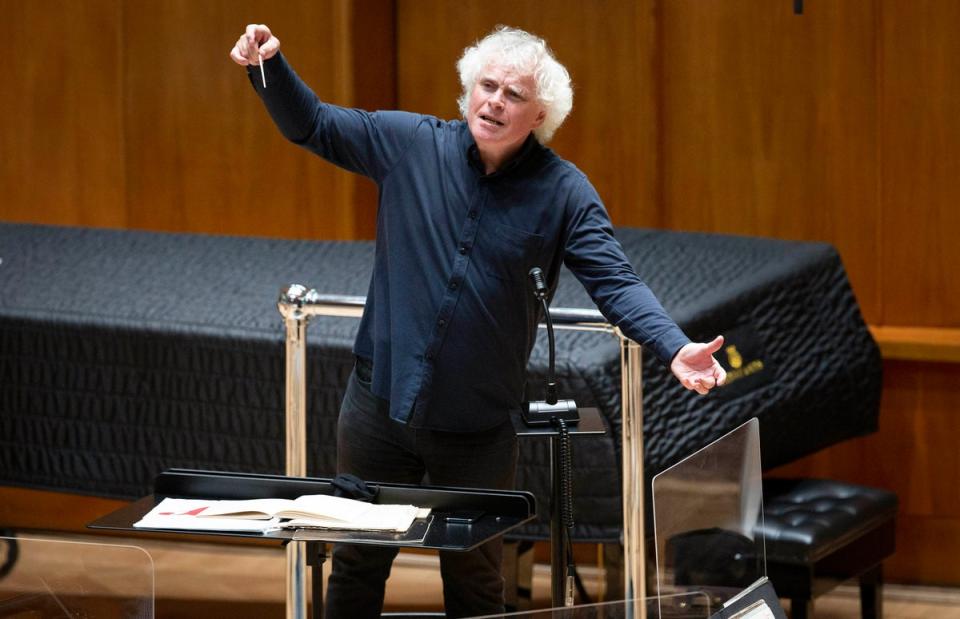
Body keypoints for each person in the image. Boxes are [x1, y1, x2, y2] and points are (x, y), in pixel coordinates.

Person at [230, 24, 726, 617]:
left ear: (539, 114)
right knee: (357, 565)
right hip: (377, 409)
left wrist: (672, 348)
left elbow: (615, 281)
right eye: (486, 86)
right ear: (468, 91)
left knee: (475, 586)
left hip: (477, 430)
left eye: (513, 95)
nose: (494, 101)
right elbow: (310, 123)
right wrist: (269, 67)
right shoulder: (410, 143)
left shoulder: (565, 192)